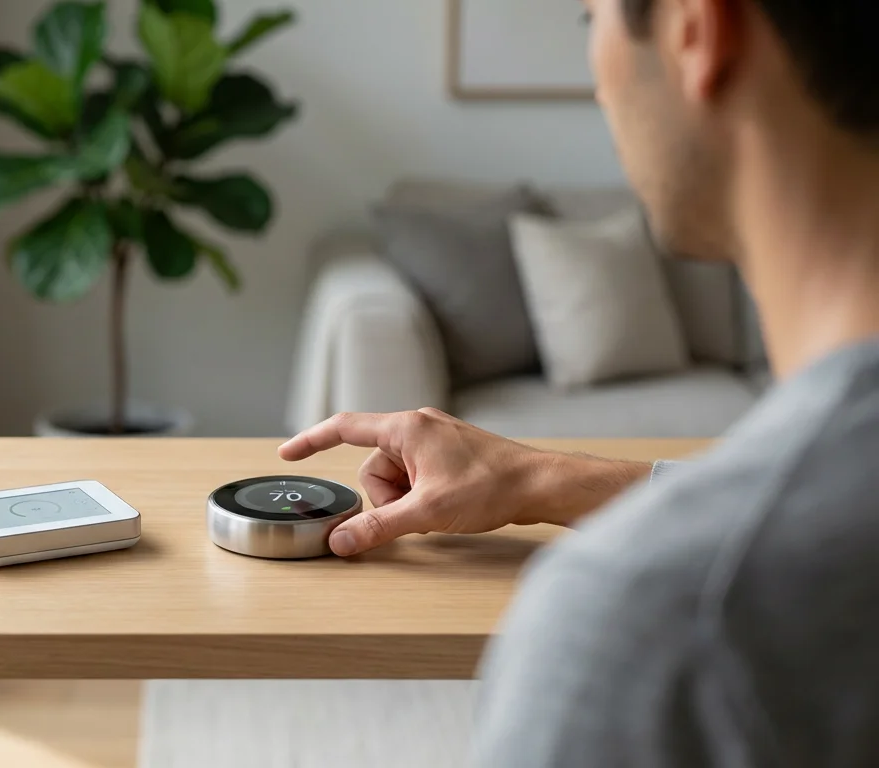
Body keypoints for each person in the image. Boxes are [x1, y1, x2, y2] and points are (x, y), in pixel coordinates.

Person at [279, 0, 879, 763]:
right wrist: (539, 477)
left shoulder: (658, 622)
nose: (599, 85)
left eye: (588, 17)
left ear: (698, 32)